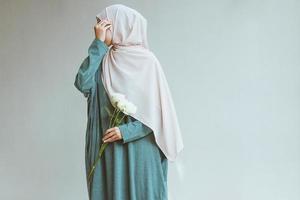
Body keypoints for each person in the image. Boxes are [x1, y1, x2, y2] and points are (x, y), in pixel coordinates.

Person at [74, 4, 184, 200]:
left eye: (104, 23)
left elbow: (159, 116)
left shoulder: (148, 63)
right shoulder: (102, 61)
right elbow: (82, 83)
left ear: (120, 25)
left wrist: (125, 131)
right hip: (109, 153)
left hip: (140, 151)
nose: (98, 27)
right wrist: (98, 45)